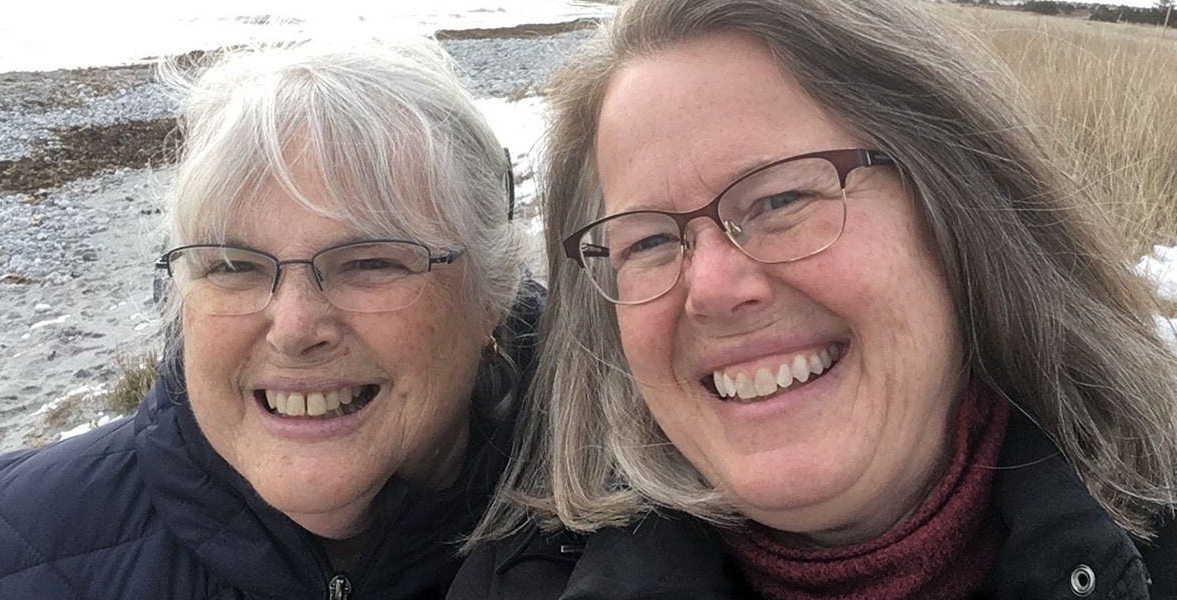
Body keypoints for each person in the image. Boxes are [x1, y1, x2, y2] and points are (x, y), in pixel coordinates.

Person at [451, 0, 1177, 598]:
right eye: (646, 242)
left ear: (960, 212)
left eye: (782, 198)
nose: (711, 289)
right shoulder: (520, 580)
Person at [0, 36, 541, 599]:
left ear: (494, 290)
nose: (294, 328)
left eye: (370, 262)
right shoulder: (4, 544)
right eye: (233, 266)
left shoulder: (610, 533)